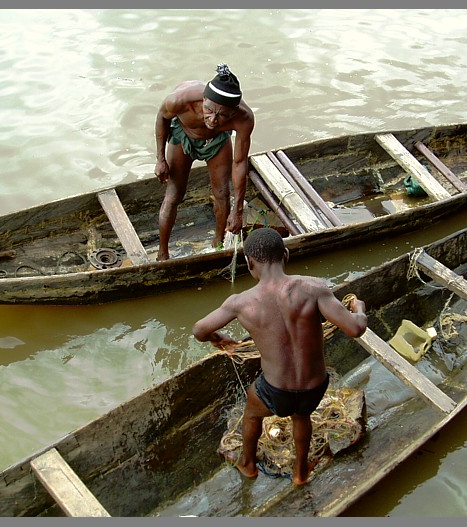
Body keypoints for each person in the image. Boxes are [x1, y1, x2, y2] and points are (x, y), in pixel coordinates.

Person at [193, 227, 368, 486]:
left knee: (252, 413)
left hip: (275, 391)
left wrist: (217, 338)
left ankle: (248, 463)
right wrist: (360, 309)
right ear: (285, 255)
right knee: (302, 415)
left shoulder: (239, 303)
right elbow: (356, 328)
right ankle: (300, 472)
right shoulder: (314, 288)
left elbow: (199, 330)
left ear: (249, 263)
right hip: (314, 388)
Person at [154, 63, 255, 260]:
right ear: (203, 100)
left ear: (233, 113)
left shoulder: (244, 118)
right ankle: (162, 253)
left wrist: (238, 210)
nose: (213, 119)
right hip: (183, 135)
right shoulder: (180, 100)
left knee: (222, 193)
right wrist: (160, 159)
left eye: (223, 115)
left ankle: (218, 244)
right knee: (174, 194)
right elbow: (161, 117)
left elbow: (240, 162)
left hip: (217, 141)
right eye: (208, 110)